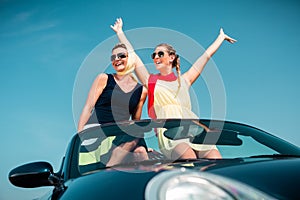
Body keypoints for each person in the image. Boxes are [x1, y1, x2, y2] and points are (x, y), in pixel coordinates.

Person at [111, 18, 236, 160]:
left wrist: (220, 38)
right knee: (189, 159)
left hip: (195, 129)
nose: (156, 57)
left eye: (160, 54)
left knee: (216, 160)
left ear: (171, 57)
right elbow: (133, 55)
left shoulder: (185, 80)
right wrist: (120, 32)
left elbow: (205, 57)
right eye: (154, 55)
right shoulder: (150, 81)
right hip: (171, 132)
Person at [77, 42, 148, 166]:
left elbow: (135, 122)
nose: (116, 60)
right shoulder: (104, 79)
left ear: (131, 59)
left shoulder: (142, 91)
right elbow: (88, 108)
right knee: (134, 141)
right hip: (98, 131)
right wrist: (79, 137)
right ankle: (109, 168)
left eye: (121, 56)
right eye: (113, 57)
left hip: (120, 135)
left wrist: (143, 145)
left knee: (140, 151)